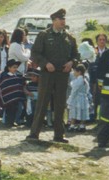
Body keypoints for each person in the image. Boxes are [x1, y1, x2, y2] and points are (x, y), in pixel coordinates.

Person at [26, 9, 79, 143]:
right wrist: (45, 63)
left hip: (62, 75)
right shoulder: (43, 35)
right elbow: (35, 53)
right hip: (47, 75)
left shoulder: (69, 37)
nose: (63, 22)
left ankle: (59, 135)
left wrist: (72, 62)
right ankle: (34, 133)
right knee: (42, 103)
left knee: (60, 105)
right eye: (60, 19)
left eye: (64, 19)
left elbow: (76, 55)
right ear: (54, 21)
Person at [0, 60, 26, 127]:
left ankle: (13, 121)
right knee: (9, 110)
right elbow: (2, 85)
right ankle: (8, 122)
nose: (16, 69)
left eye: (16, 67)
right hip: (8, 97)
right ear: (9, 68)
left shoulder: (18, 75)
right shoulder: (4, 75)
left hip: (16, 97)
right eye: (14, 67)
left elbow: (20, 84)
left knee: (16, 109)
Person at [66, 65, 91, 131]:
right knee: (83, 111)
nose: (74, 73)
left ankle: (72, 125)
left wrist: (70, 99)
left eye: (75, 71)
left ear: (79, 72)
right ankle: (82, 126)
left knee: (74, 111)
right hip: (83, 98)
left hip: (77, 98)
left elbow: (74, 91)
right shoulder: (85, 80)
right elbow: (87, 90)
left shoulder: (78, 81)